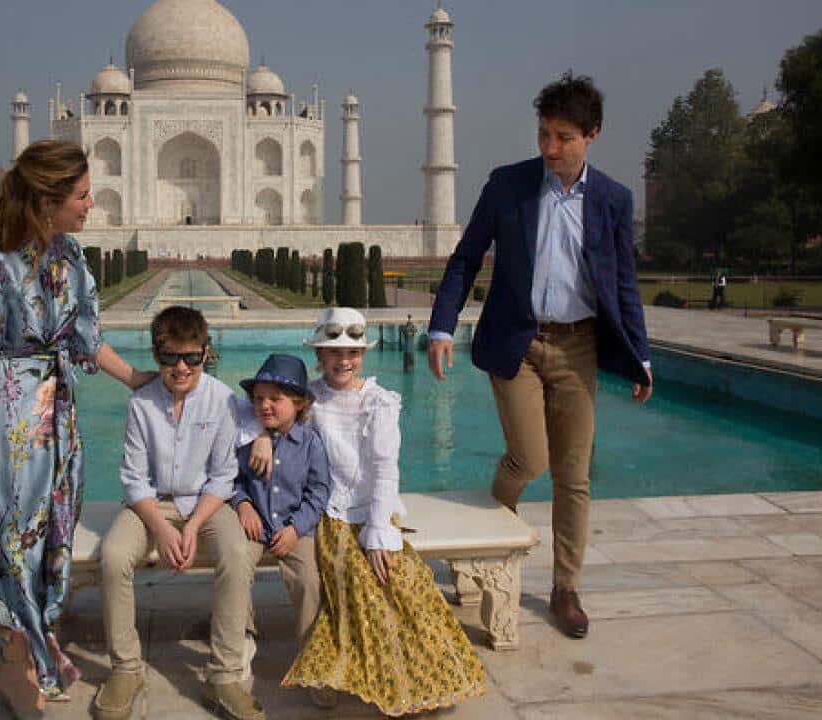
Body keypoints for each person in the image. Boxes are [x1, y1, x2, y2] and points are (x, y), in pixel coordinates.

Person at [0, 139, 152, 716]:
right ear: (47, 202)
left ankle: (33, 641)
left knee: (48, 532)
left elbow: (87, 339)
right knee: (11, 536)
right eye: (81, 194)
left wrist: (138, 380)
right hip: (5, 421)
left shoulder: (69, 258)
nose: (92, 203)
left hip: (54, 418)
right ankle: (13, 663)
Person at [426, 73, 653, 640]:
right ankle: (478, 546)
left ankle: (565, 587)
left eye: (563, 137)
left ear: (591, 136)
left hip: (577, 345)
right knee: (529, 460)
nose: (549, 148)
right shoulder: (510, 186)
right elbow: (464, 260)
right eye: (544, 134)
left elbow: (623, 282)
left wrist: (640, 355)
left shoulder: (612, 200)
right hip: (518, 342)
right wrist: (440, 328)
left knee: (574, 476)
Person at [280, 307, 487, 716]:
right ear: (319, 354)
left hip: (373, 512)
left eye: (353, 352)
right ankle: (344, 670)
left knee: (398, 578)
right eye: (335, 351)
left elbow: (384, 469)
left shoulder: (379, 402)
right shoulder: (310, 399)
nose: (344, 360)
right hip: (329, 513)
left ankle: (417, 673)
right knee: (355, 579)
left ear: (363, 355)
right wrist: (263, 440)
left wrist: (377, 532)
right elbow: (264, 413)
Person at [94, 306, 263, 720]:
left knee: (237, 554)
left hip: (205, 503)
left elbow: (224, 476)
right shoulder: (141, 404)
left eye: (191, 356)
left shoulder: (221, 399)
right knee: (114, 557)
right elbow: (133, 479)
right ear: (157, 356)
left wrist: (193, 526)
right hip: (150, 504)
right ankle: (125, 668)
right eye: (170, 357)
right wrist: (165, 530)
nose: (181, 367)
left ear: (206, 353)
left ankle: (223, 674)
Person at [231, 353, 331, 703]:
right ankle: (240, 645)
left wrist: (297, 527)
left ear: (299, 403)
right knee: (236, 568)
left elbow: (319, 492)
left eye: (276, 399)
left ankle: (313, 658)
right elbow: (234, 480)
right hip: (254, 525)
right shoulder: (247, 441)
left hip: (294, 528)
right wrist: (243, 504)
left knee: (308, 581)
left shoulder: (310, 444)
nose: (265, 406)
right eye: (259, 399)